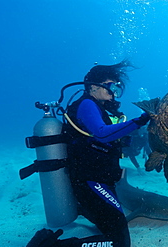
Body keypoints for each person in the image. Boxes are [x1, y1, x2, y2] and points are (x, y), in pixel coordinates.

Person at [27, 61, 150, 247]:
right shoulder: (86, 104)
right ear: (93, 86)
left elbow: (97, 138)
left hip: (98, 181)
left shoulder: (99, 107)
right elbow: (101, 133)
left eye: (116, 87)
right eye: (110, 85)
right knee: (119, 242)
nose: (113, 91)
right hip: (92, 182)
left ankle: (84, 210)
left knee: (112, 227)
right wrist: (139, 121)